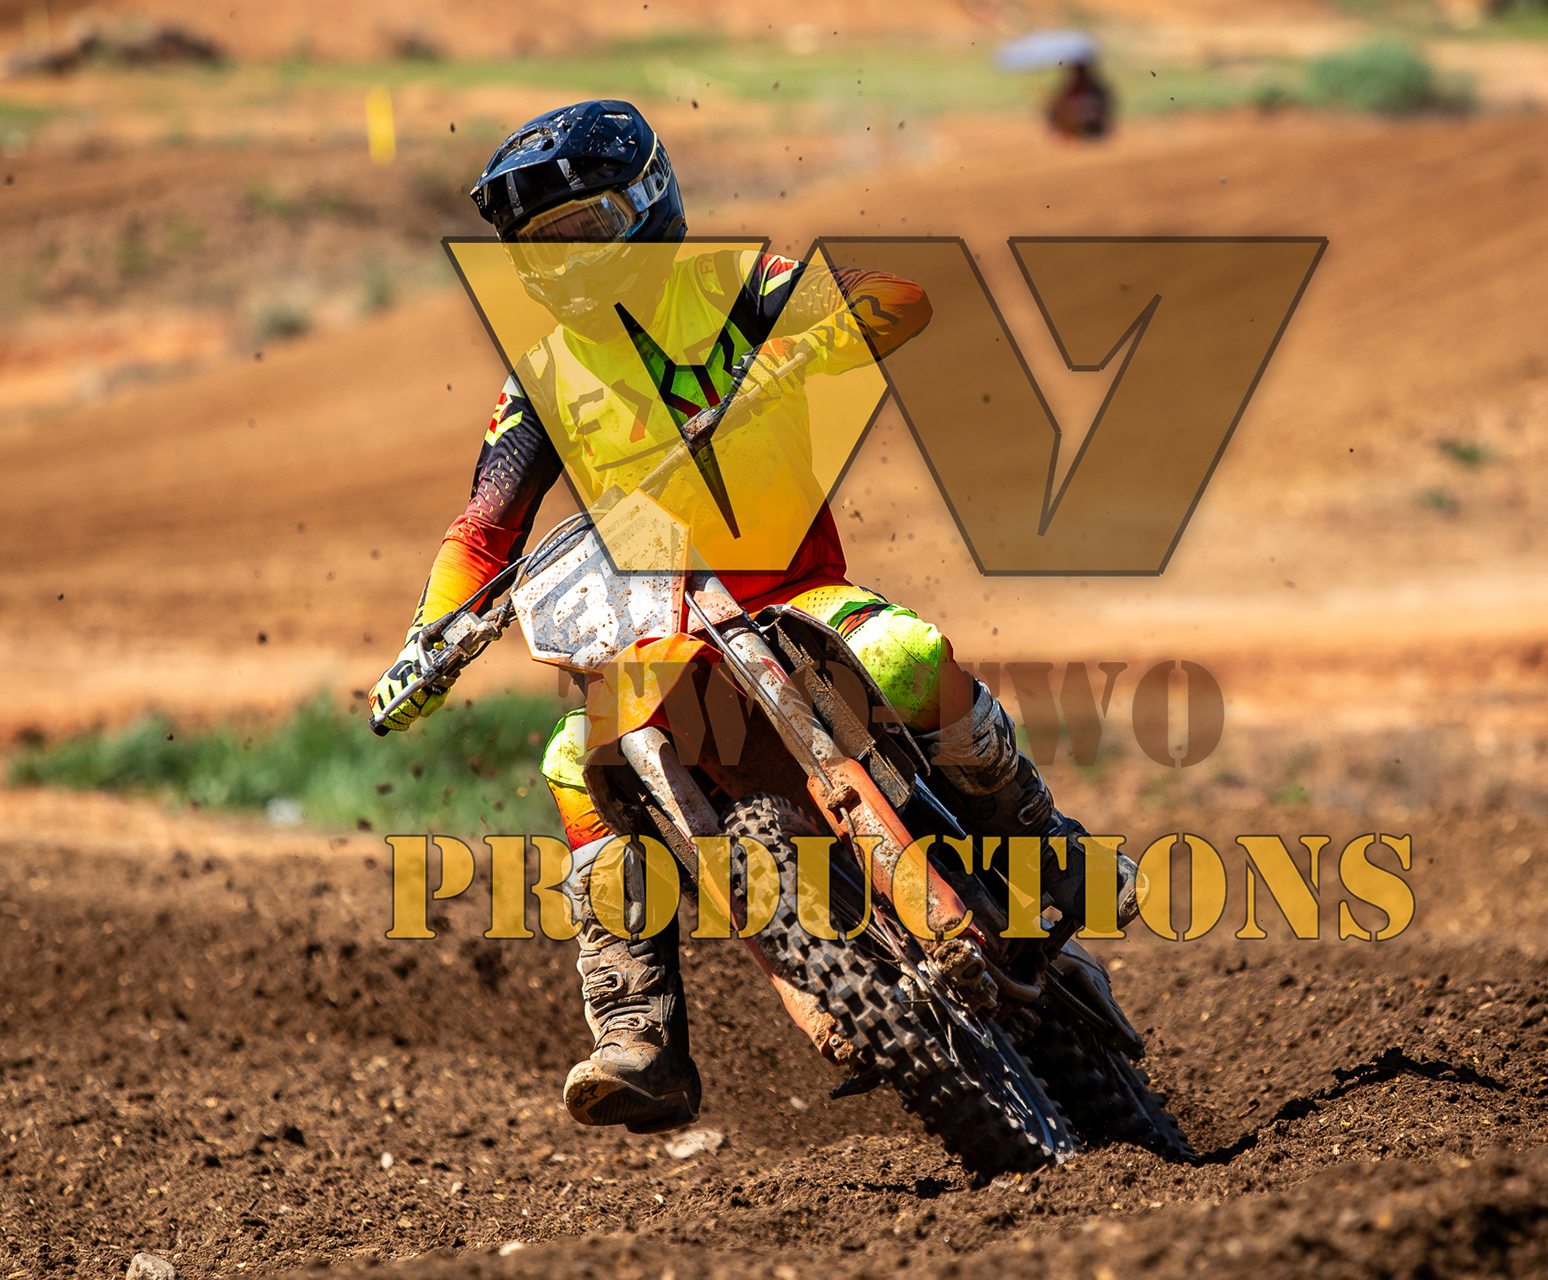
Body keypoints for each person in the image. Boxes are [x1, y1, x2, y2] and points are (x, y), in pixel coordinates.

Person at [368, 100, 1128, 1134]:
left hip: (791, 594)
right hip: (657, 634)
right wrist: (427, 642)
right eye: (545, 247)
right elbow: (483, 527)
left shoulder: (734, 289)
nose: (571, 264)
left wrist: (811, 344)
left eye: (587, 231)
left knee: (903, 652)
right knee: (569, 760)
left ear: (649, 207)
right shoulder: (542, 381)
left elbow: (893, 296)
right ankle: (637, 1029)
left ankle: (1045, 846)